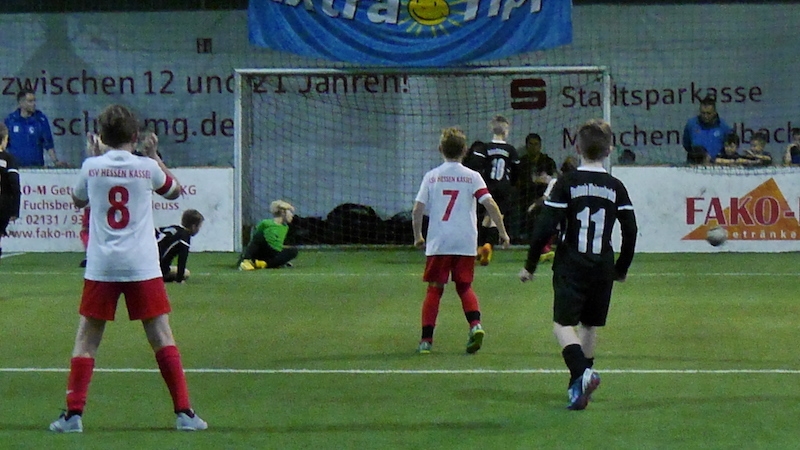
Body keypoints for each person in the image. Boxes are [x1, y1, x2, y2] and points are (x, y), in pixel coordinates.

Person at [49, 104, 207, 433]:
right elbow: (175, 192)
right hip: (142, 265)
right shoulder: (146, 167)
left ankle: (73, 415)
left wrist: (93, 156)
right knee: (161, 335)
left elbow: (78, 201)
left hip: (103, 265)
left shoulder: (92, 166)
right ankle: (185, 413)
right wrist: (154, 155)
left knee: (87, 338)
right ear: (135, 136)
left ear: (101, 136)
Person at [519, 119, 637, 411]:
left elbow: (545, 227)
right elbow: (630, 230)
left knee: (562, 325)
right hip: (602, 264)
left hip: (572, 263)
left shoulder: (567, 183)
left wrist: (530, 265)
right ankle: (578, 388)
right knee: (589, 325)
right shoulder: (616, 186)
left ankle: (582, 373)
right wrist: (621, 267)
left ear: (577, 148)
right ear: (609, 150)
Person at [412, 127, 510, 355]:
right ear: (465, 151)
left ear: (440, 149)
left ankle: (426, 340)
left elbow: (417, 209)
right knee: (464, 286)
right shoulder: (472, 176)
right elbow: (490, 204)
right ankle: (475, 325)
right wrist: (502, 232)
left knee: (434, 289)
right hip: (465, 242)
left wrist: (418, 236)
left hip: (440, 241)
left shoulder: (432, 176)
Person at [471, 115, 519, 265]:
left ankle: (479, 247)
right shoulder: (510, 150)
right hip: (504, 186)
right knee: (496, 218)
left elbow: (476, 165)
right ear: (506, 131)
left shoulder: (485, 148)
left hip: (487, 186)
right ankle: (488, 245)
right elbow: (517, 169)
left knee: (487, 216)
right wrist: (512, 184)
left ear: (491, 129)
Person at [4, 89, 66, 168]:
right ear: (21, 103)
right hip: (15, 167)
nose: (34, 104)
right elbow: (3, 144)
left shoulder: (40, 119)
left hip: (36, 168)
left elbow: (48, 143)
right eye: (30, 101)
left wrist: (55, 161)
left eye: (34, 101)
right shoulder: (10, 120)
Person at [517, 133, 557, 241]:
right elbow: (517, 181)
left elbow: (554, 180)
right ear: (526, 146)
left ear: (540, 146)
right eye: (531, 144)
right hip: (525, 195)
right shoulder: (522, 162)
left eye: (536, 144)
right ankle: (523, 235)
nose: (533, 147)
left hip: (543, 195)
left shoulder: (548, 161)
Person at [238, 200, 298, 270]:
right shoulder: (266, 223)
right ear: (283, 212)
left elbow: (277, 244)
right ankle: (246, 260)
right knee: (259, 235)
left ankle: (264, 264)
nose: (292, 215)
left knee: (293, 251)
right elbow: (255, 239)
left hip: (273, 252)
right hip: (262, 251)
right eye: (290, 212)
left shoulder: (285, 227)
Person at [157, 209, 205, 283]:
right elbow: (182, 260)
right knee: (186, 273)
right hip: (158, 269)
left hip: (147, 263)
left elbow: (156, 231)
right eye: (199, 227)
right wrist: (179, 279)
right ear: (193, 227)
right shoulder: (184, 238)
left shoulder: (173, 228)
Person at [682, 96, 732, 164]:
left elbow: (729, 147)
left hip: (717, 165)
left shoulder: (723, 126)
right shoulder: (691, 124)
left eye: (709, 113)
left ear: (714, 112)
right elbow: (686, 145)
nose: (706, 116)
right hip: (695, 165)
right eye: (703, 113)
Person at [0, 123, 21, 261]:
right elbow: (14, 184)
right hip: (3, 203)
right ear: (4, 139)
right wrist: (15, 210)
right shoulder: (9, 159)